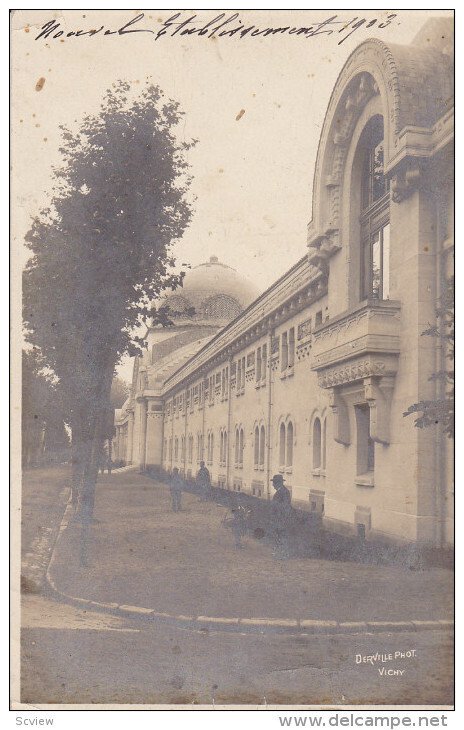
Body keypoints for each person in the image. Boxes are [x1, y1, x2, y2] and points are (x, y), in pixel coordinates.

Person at [270, 474, 292, 557]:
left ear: (278, 483)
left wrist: (275, 506)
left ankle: (284, 553)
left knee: (282, 536)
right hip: (278, 518)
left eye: (274, 483)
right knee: (278, 535)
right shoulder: (280, 491)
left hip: (282, 519)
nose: (272, 485)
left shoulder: (285, 492)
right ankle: (279, 552)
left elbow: (285, 506)